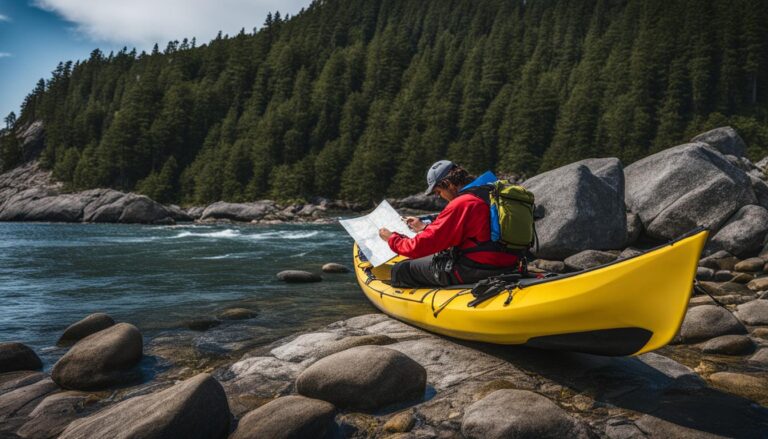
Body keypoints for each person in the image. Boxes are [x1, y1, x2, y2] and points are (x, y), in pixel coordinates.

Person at [378, 160, 521, 287]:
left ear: (448, 184)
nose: (439, 196)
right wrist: (424, 227)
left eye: (438, 191)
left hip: (477, 268)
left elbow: (420, 247)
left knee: (401, 269)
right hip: (510, 262)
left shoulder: (462, 203)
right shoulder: (489, 192)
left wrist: (392, 238)